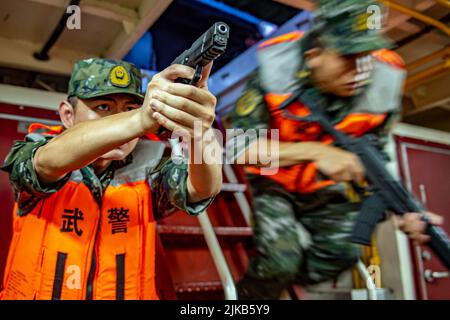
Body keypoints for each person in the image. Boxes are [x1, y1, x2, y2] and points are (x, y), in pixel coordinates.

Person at [228, 0, 443, 299]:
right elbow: (236, 148)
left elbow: (376, 155)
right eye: (349, 57)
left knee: (344, 253)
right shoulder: (276, 69)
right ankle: (249, 298)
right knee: (280, 263)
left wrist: (402, 211)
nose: (363, 69)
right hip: (275, 182)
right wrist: (316, 152)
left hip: (324, 187)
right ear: (314, 54)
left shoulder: (386, 77)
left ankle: (280, 268)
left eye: (368, 55)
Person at [0, 58, 222, 300]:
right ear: (68, 115)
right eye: (103, 107)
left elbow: (203, 188)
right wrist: (137, 120)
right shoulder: (39, 153)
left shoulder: (149, 170)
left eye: (129, 109)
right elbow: (46, 163)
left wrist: (200, 129)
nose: (121, 121)